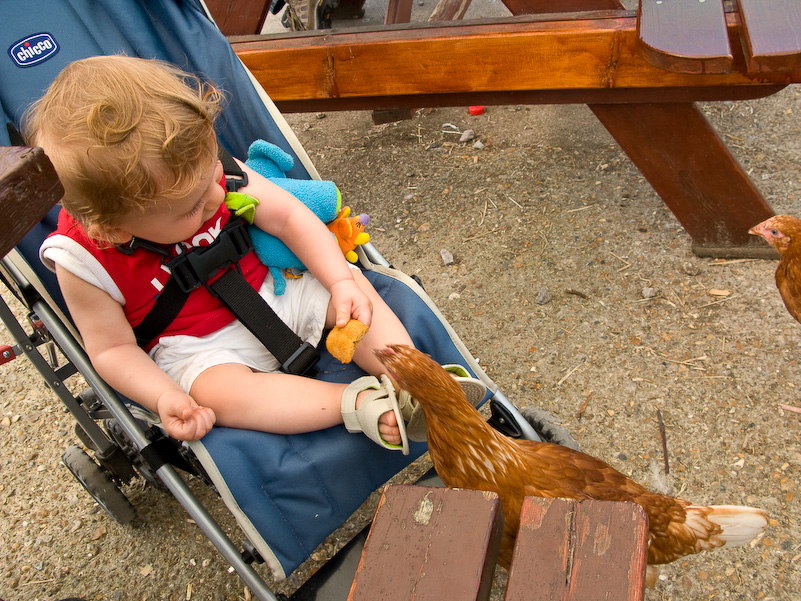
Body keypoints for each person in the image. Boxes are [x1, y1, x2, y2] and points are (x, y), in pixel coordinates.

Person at [26, 55, 482, 454]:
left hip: (273, 284)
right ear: (113, 226)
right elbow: (112, 350)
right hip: (201, 346)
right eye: (193, 208)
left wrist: (341, 281)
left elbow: (289, 219)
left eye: (212, 179)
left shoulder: (204, 171)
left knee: (351, 290)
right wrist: (165, 396)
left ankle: (417, 381)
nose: (214, 197)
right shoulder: (81, 259)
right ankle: (356, 405)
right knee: (219, 393)